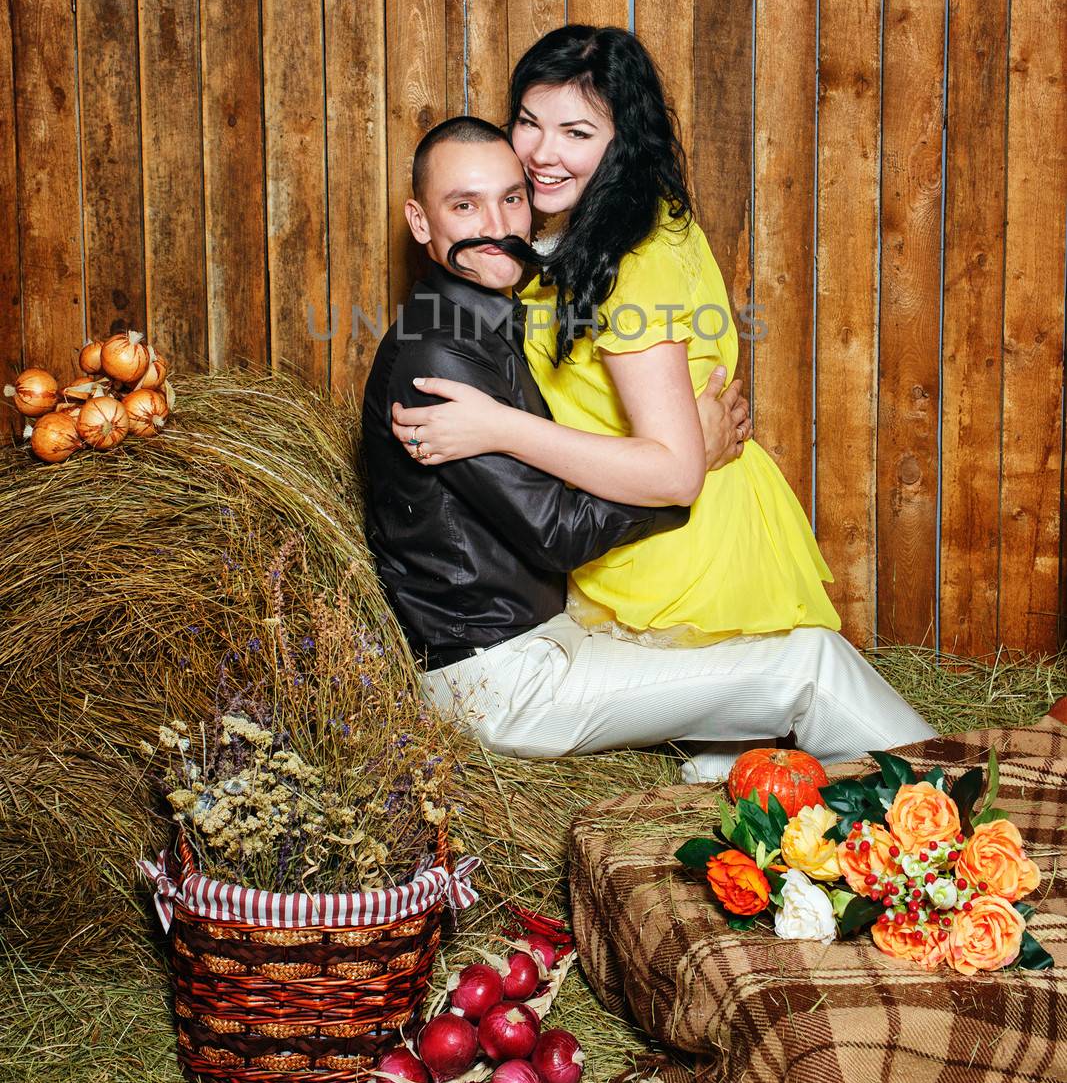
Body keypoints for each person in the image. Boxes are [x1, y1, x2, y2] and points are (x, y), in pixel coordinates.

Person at [366, 114, 936, 773]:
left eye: (511, 198)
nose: (496, 224)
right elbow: (558, 530)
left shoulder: (488, 312)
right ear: (419, 221)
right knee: (808, 665)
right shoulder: (438, 357)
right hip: (499, 678)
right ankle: (962, 829)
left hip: (537, 642)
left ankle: (719, 779)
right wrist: (687, 465)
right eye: (464, 205)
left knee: (736, 719)